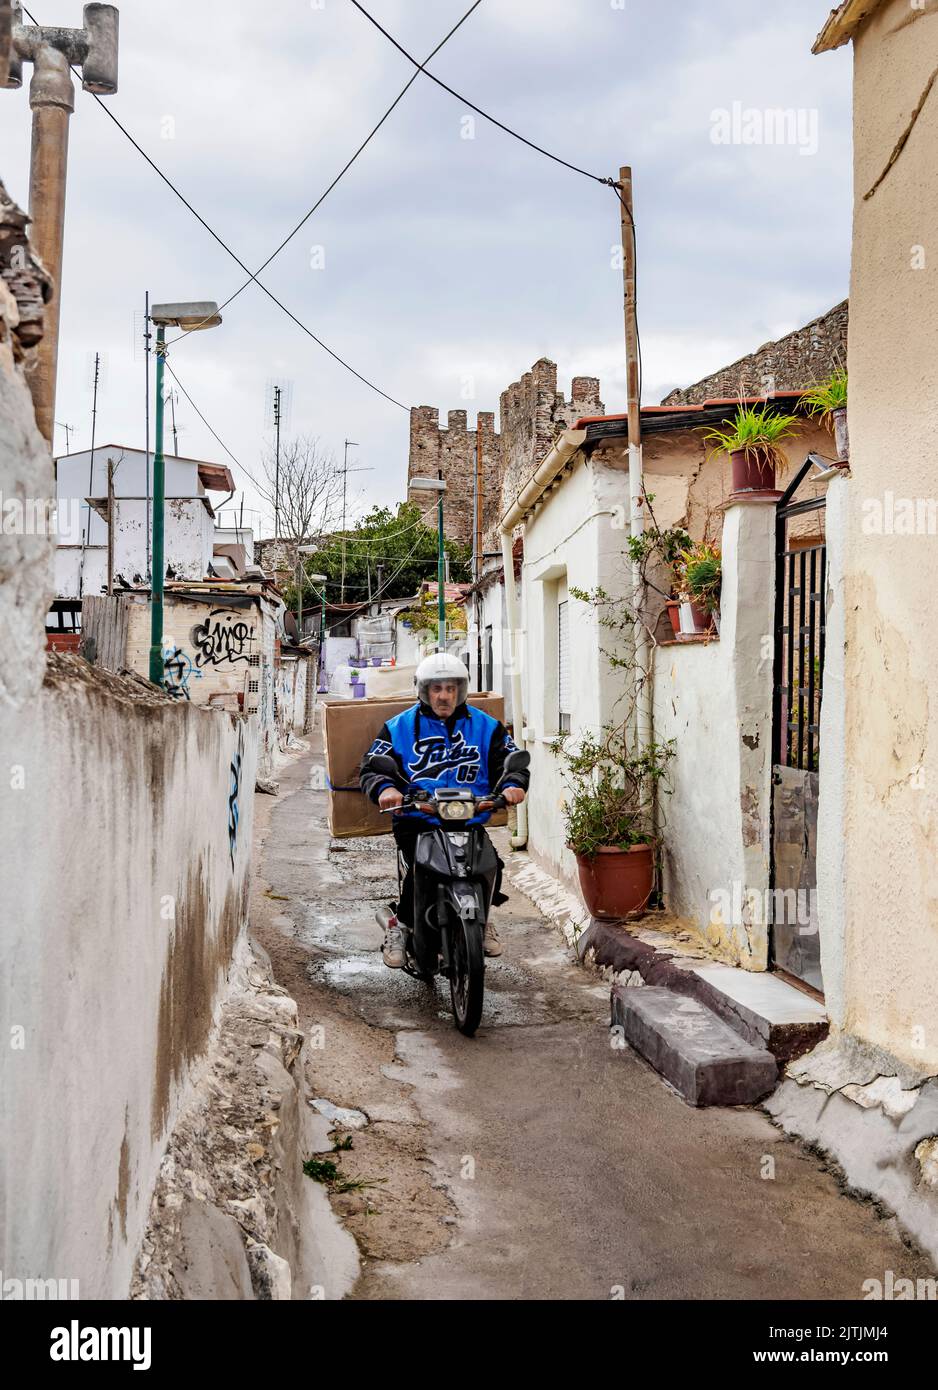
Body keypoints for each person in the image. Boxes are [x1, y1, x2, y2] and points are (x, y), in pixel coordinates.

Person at [359, 653, 529, 969]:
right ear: (423, 690)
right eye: (436, 688)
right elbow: (372, 767)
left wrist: (513, 784)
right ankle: (400, 927)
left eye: (451, 688)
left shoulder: (486, 726)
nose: (444, 696)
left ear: (461, 690)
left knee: (491, 864)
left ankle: (482, 919)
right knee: (422, 868)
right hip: (417, 817)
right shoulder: (399, 728)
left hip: (467, 816)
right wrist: (387, 789)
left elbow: (509, 759)